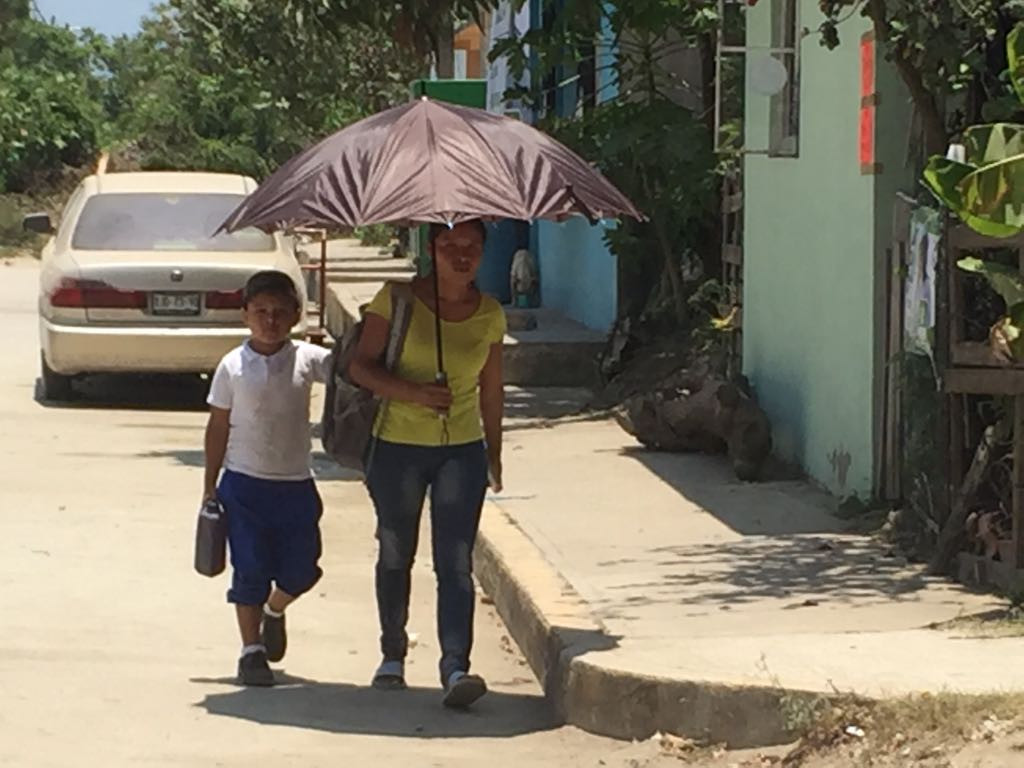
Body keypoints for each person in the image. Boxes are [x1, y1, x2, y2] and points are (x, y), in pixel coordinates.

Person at [349, 219, 506, 709]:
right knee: (397, 551)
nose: (461, 255)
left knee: (455, 562)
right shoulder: (395, 301)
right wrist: (414, 393)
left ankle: (455, 666)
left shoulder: (490, 314)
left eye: (472, 248)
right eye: (450, 245)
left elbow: (492, 389)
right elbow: (360, 366)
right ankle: (392, 653)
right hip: (396, 447)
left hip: (462, 450)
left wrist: (494, 452)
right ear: (431, 249)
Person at [203, 270, 331, 686]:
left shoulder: (309, 359)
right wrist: (210, 485)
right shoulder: (232, 366)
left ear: (296, 315)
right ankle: (251, 652)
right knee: (249, 570)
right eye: (261, 311)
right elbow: (218, 425)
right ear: (245, 315)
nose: (270, 320)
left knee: (303, 569)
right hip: (243, 485)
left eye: (280, 312)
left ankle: (275, 611)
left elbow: (352, 375)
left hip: (295, 483)